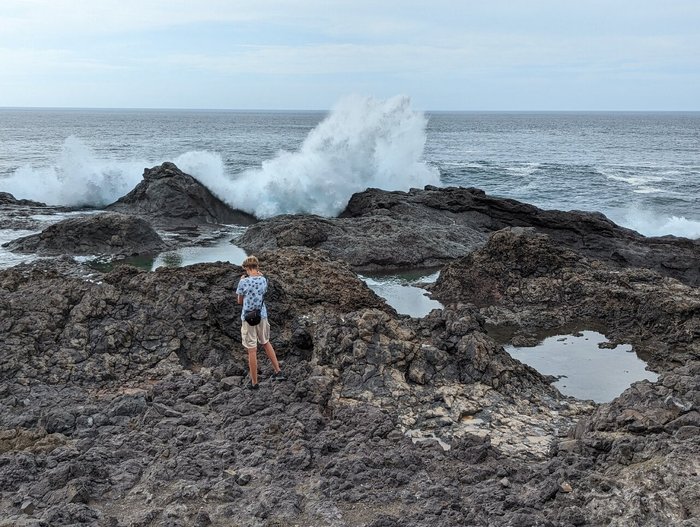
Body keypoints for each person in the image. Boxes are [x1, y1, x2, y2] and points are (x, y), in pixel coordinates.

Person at [236, 255, 286, 389]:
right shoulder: (263, 280)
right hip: (262, 316)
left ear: (246, 268)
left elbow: (239, 301)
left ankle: (254, 383)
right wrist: (260, 275)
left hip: (248, 318)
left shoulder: (243, 282)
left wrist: (242, 280)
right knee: (266, 342)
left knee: (252, 350)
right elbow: (263, 289)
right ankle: (278, 371)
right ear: (257, 267)